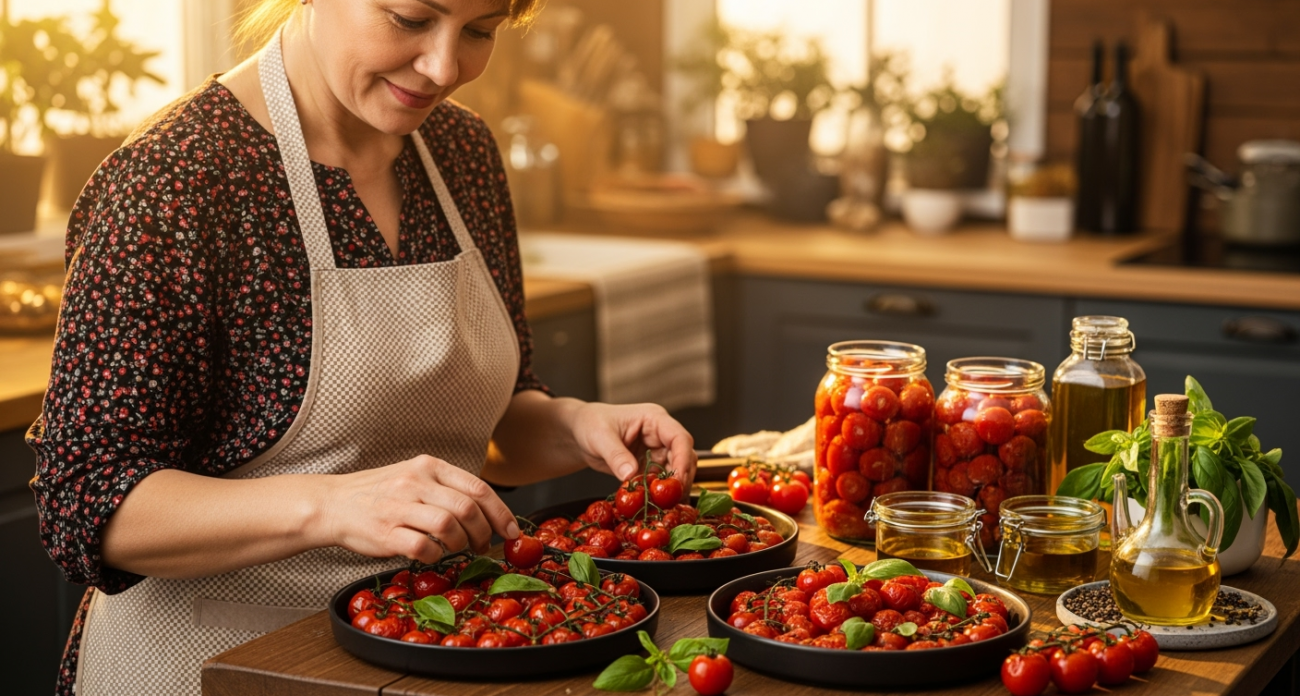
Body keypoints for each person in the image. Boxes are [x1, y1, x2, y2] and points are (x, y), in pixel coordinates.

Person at [26, 1, 696, 694]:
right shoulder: (173, 181)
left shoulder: (461, 152)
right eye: (410, 18)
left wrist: (577, 426)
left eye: (478, 32)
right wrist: (334, 505)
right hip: (209, 664)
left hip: (425, 652)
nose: (442, 67)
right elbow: (89, 503)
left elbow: (487, 432)